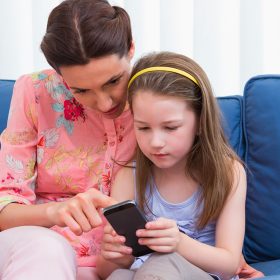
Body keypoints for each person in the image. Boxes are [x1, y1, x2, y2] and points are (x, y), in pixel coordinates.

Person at [96, 51, 261, 280]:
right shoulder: (128, 176)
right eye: (143, 128)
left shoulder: (228, 173)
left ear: (201, 122)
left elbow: (229, 264)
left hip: (197, 274)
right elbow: (106, 272)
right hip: (140, 274)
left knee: (163, 262)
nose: (155, 142)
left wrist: (178, 243)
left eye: (171, 127)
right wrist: (113, 255)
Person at [0, 0, 136, 279]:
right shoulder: (35, 91)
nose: (104, 101)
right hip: (37, 249)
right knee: (46, 249)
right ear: (60, 76)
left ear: (131, 48)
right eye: (81, 90)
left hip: (120, 261)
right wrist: (54, 212)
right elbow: (6, 210)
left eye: (113, 81)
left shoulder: (159, 95)